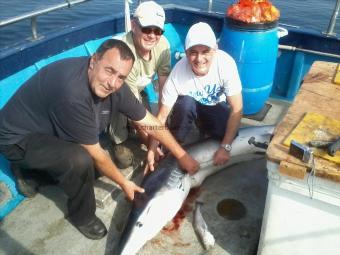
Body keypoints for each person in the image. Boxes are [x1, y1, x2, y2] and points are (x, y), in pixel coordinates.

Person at [0, 39, 199, 240]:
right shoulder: (72, 93)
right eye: (109, 71)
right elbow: (97, 154)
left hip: (48, 127)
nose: (112, 83)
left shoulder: (115, 86)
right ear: (93, 61)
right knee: (81, 161)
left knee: (92, 170)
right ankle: (81, 215)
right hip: (17, 140)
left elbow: (148, 120)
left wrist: (180, 154)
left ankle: (35, 174)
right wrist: (124, 184)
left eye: (121, 77)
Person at [147, 22, 243, 172]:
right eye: (193, 52)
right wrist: (152, 150)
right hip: (190, 107)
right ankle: (176, 144)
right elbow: (160, 118)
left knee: (232, 133)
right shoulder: (178, 73)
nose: (199, 59)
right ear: (186, 52)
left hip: (214, 107)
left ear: (215, 50)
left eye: (205, 51)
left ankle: (206, 129)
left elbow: (237, 107)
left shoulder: (226, 64)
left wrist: (225, 146)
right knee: (185, 103)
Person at [109, 1, 171, 168]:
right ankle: (117, 139)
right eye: (147, 29)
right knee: (124, 160)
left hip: (138, 91)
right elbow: (133, 109)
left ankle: (134, 130)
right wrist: (152, 146)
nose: (152, 36)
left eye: (157, 31)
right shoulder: (125, 54)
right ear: (134, 25)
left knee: (161, 125)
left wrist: (158, 133)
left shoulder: (163, 45)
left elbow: (164, 95)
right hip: (114, 96)